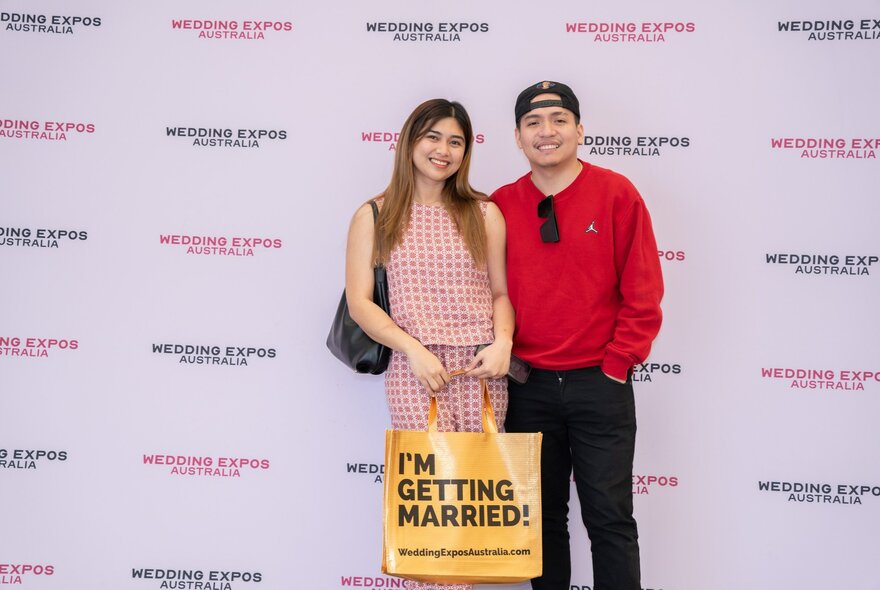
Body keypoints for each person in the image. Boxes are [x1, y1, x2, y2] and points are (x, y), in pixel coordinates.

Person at [491, 81, 664, 590]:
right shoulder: (500, 204)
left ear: (580, 129)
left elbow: (643, 288)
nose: (547, 132)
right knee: (541, 523)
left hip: (599, 384)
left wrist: (617, 364)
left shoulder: (616, 193)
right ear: (518, 137)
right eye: (533, 123)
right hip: (526, 387)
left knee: (609, 520)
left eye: (559, 119)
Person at [345, 98, 514, 590]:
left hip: (483, 373)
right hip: (416, 374)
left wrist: (503, 342)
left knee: (474, 514)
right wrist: (414, 350)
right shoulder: (374, 214)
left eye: (456, 141)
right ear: (410, 141)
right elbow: (361, 303)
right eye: (433, 137)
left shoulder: (484, 213)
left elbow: (500, 292)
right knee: (428, 513)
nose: (444, 150)